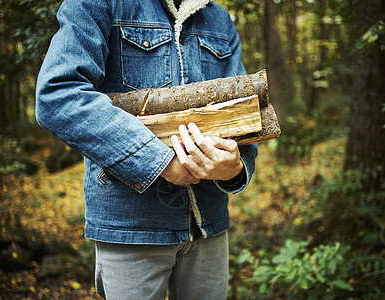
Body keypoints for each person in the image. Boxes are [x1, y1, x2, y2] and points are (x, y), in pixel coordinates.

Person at [35, 0, 257, 299]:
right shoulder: (99, 3)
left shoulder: (219, 19)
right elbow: (58, 94)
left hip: (209, 226)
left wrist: (234, 169)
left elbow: (242, 115)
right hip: (131, 226)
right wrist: (161, 162)